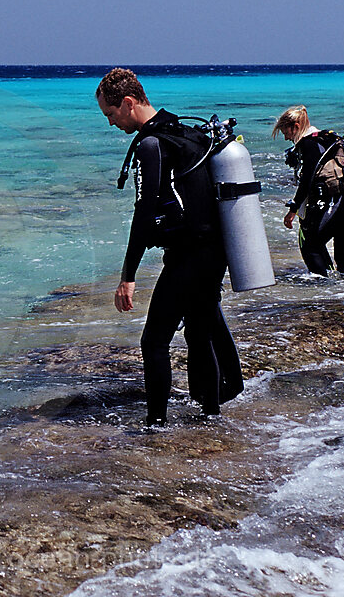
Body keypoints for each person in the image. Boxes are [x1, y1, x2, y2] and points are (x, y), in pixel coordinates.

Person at [96, 68, 243, 426]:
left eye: (111, 114)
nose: (111, 124)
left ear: (129, 103)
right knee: (198, 331)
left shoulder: (152, 144)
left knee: (154, 341)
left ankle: (155, 426)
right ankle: (210, 415)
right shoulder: (186, 134)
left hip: (189, 255)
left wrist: (127, 276)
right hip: (214, 251)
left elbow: (145, 212)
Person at [272, 105, 344, 279]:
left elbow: (307, 180)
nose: (286, 138)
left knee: (311, 246)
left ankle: (324, 295)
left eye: (286, 132)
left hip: (337, 201)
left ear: (296, 126)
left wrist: (293, 210)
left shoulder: (309, 144)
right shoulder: (331, 139)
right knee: (343, 256)